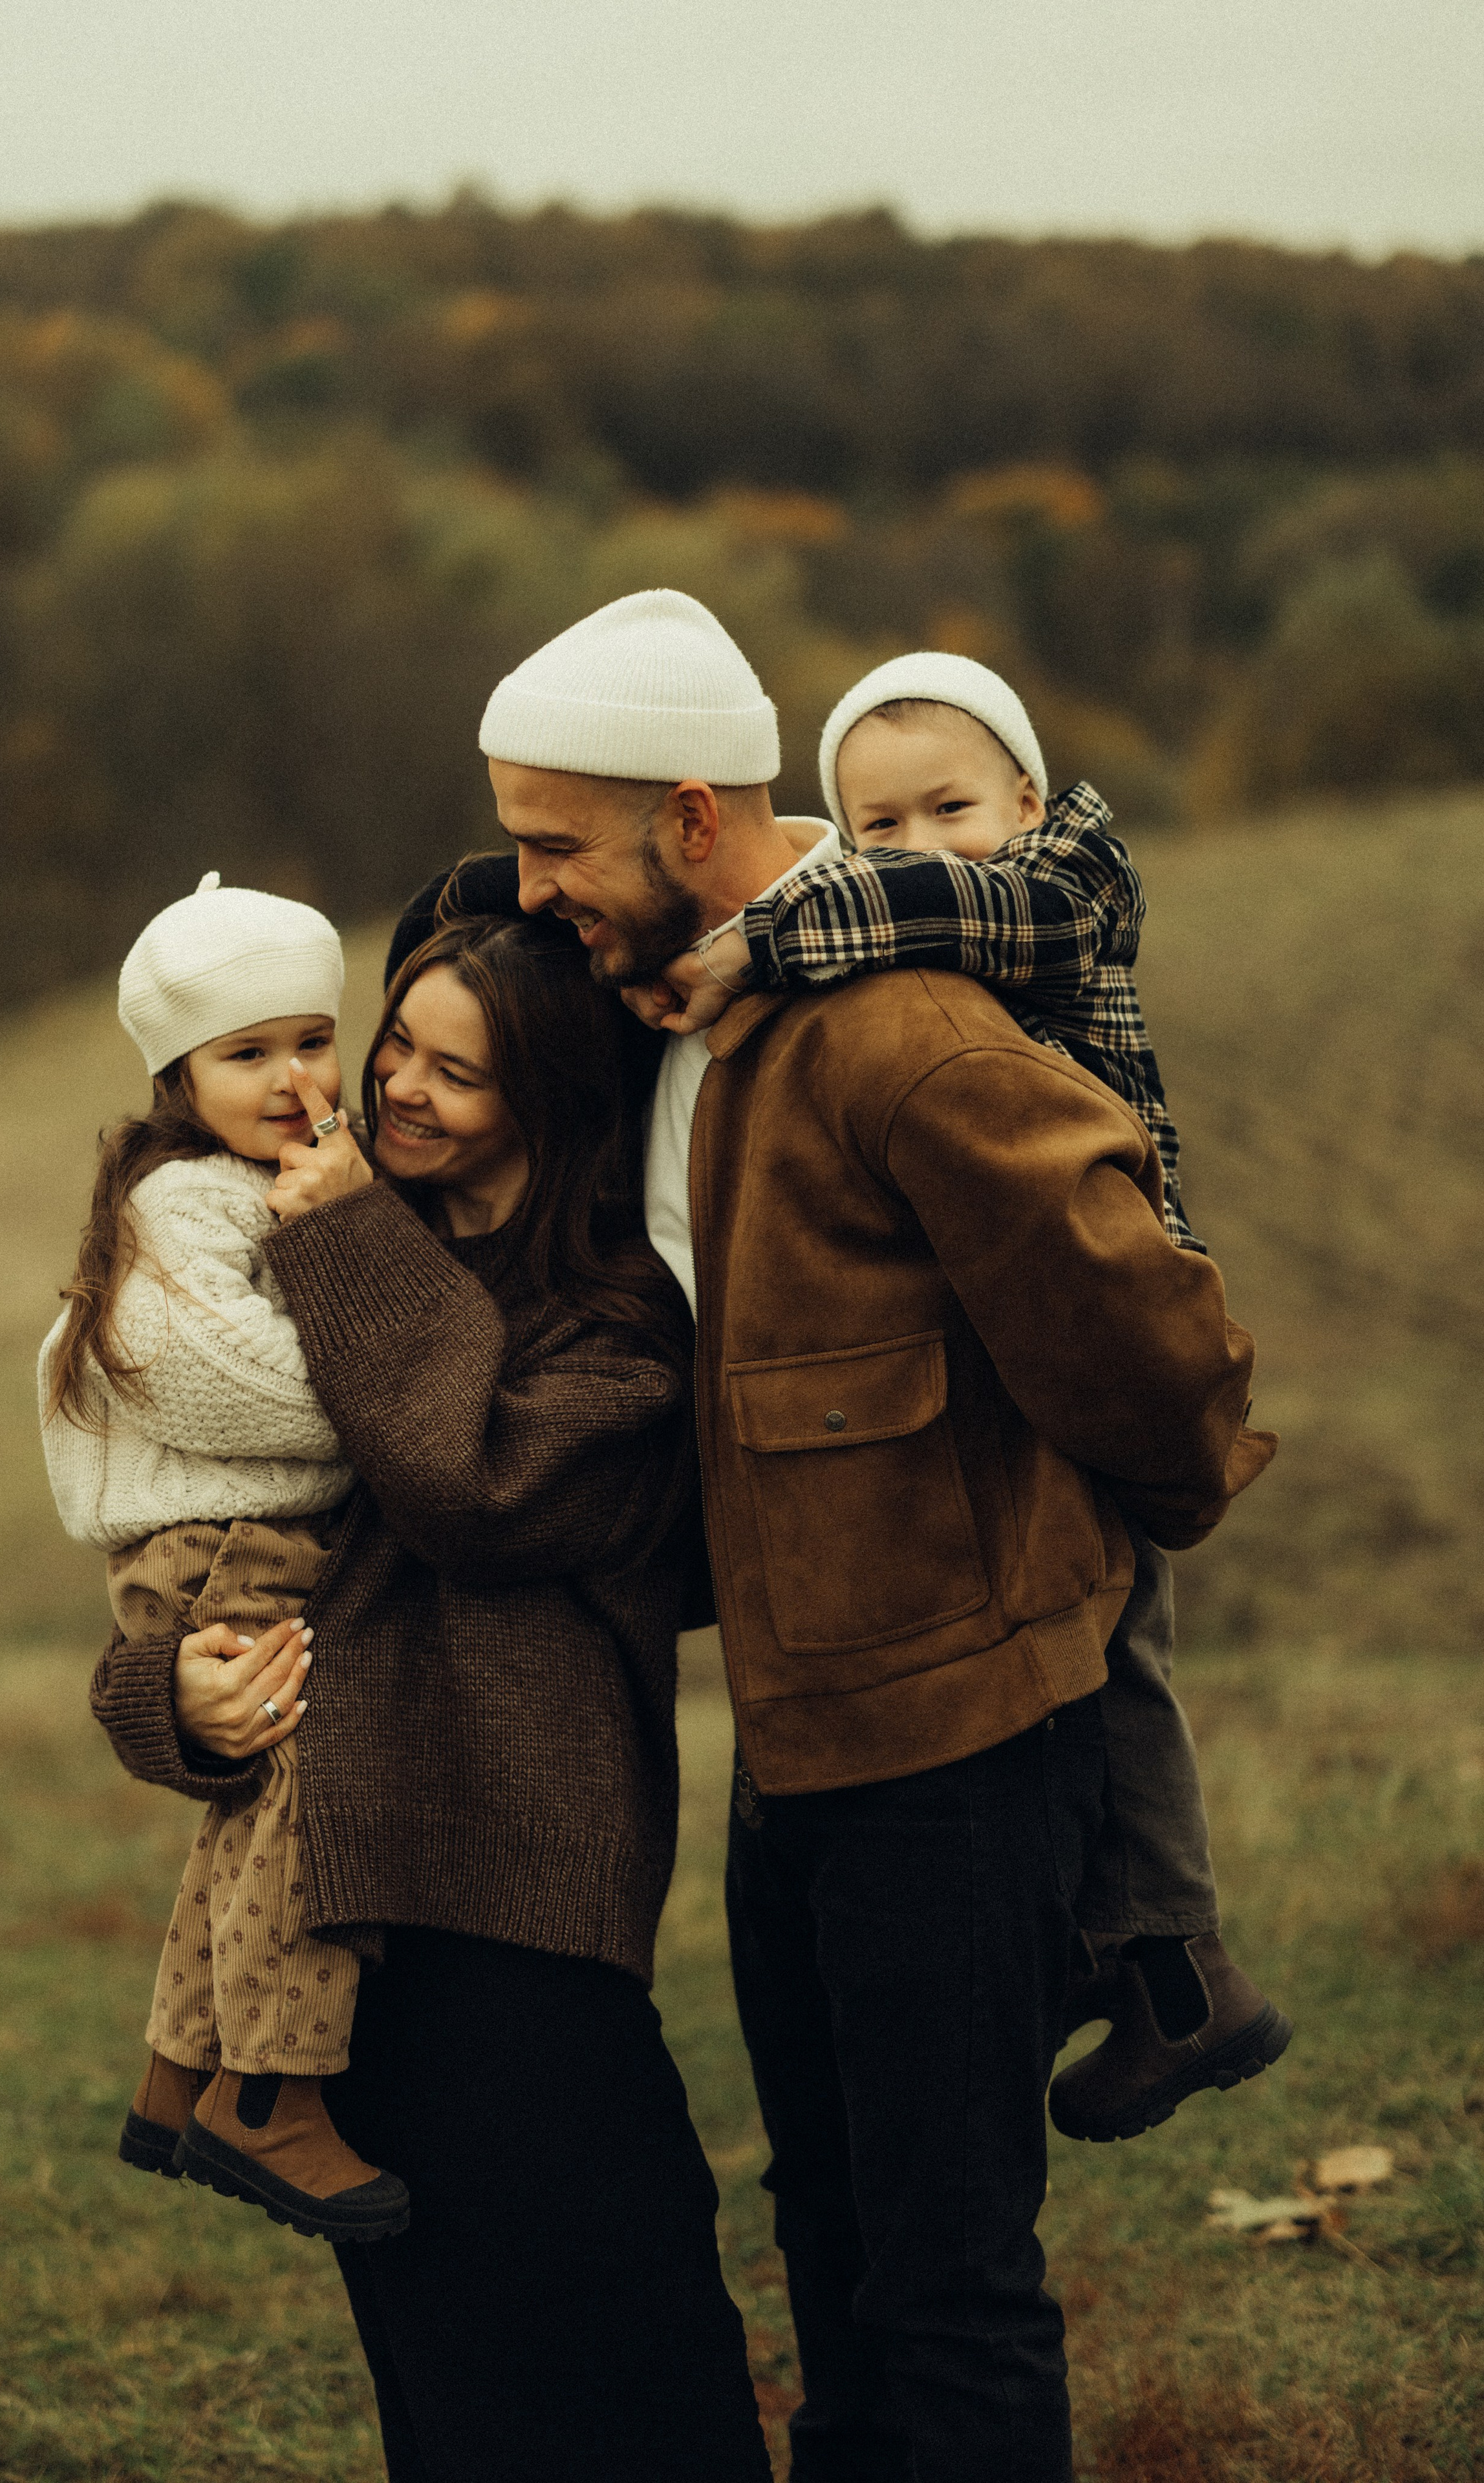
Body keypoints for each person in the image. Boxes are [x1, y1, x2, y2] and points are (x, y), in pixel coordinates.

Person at [475, 588, 1277, 2482]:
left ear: (691, 822)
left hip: (962, 1767)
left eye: (552, 846)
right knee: (830, 2249)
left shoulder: (901, 1031)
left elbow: (1149, 1334)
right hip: (797, 1755)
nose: (528, 893)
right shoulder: (673, 1005)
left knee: (950, 2289)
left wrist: (1112, 1543)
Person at [87, 904, 773, 2483]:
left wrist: (348, 1244)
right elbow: (209, 1540)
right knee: (447, 2394)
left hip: (523, 1936)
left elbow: (461, 1487)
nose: (391, 1086)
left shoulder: (614, 1342)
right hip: (335, 1941)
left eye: (452, 1073)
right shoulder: (300, 1282)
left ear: (546, 1103)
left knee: (636, 2360)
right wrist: (165, 1703)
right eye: (392, 1039)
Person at [620, 649, 1294, 2149]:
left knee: (1117, 1646)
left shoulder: (1063, 888)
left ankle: (1178, 1966)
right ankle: (1114, 1953)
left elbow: (942, 905)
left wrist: (765, 933)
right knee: (1102, 1642)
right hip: (1019, 1317)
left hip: (1119, 1278)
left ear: (1030, 799)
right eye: (878, 824)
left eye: (949, 806)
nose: (919, 848)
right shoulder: (879, 924)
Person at [38, 870, 407, 2242]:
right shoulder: (188, 1202)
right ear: (177, 1077)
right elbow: (286, 1400)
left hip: (233, 1540)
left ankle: (176, 2069)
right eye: (245, 1054)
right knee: (307, 1793)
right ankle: (273, 2092)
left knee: (248, 1808)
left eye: (312, 1039)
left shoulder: (262, 1180)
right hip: (221, 1552)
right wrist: (354, 1261)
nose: (291, 1076)